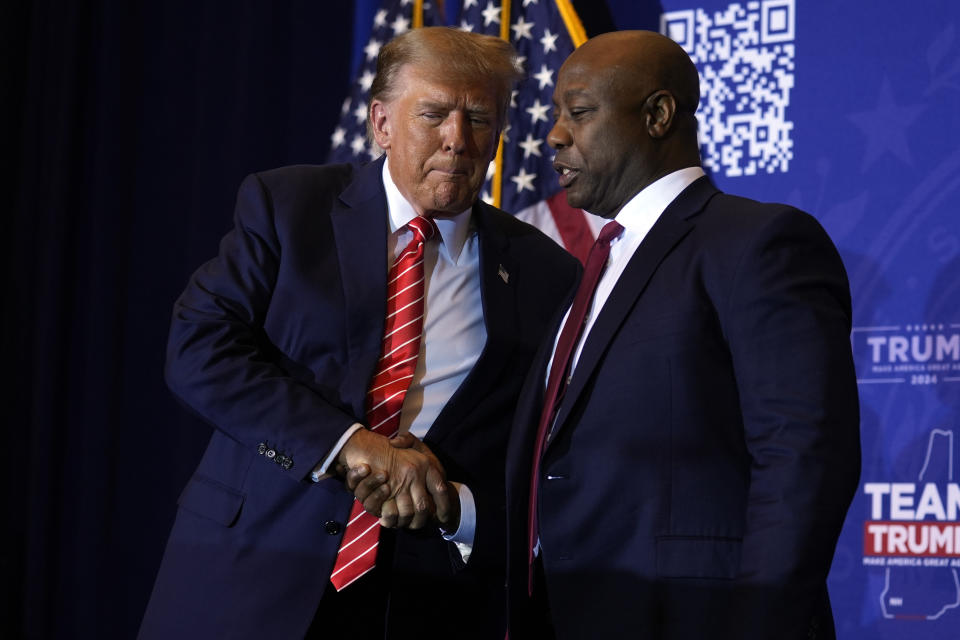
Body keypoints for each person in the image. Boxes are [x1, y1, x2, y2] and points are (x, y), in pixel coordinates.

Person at [138, 27, 580, 640]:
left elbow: (542, 454)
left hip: (424, 597)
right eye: (433, 115)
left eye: (479, 117)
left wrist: (459, 510)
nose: (458, 139)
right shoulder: (289, 207)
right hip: (251, 571)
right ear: (381, 124)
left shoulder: (545, 271)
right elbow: (199, 349)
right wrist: (347, 444)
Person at [501, 30, 861, 639]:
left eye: (580, 113)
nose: (554, 135)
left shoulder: (757, 243)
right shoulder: (584, 273)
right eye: (557, 114)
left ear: (658, 114)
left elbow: (801, 458)